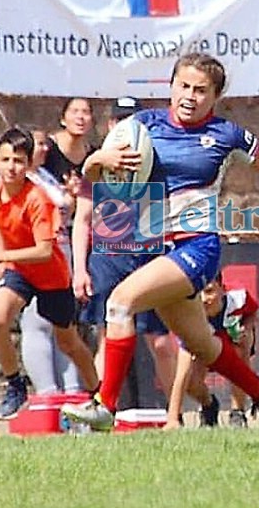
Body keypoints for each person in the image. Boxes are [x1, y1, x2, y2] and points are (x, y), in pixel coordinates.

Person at [61, 53, 259, 439]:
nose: (190, 96)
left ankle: (105, 406)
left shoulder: (228, 135)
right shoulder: (142, 124)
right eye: (183, 86)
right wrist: (99, 157)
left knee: (120, 303)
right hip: (156, 249)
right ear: (171, 86)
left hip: (197, 248)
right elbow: (93, 175)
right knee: (202, 344)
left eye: (201, 90)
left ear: (216, 96)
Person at [0, 127, 99, 418]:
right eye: (5, 160)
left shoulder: (37, 199)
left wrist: (2, 254)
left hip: (51, 275)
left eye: (18, 160)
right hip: (20, 271)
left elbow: (44, 251)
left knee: (68, 342)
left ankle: (99, 396)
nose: (11, 167)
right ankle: (15, 385)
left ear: (29, 164)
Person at [72, 96, 176, 406]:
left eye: (133, 120)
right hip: (109, 257)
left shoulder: (157, 162)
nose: (126, 127)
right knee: (107, 336)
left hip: (149, 256)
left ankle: (176, 415)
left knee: (159, 342)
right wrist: (79, 269)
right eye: (119, 120)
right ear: (110, 125)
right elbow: (82, 220)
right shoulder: (96, 167)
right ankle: (103, 410)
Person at [20, 128, 82, 396]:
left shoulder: (44, 176)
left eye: (47, 144)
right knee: (37, 322)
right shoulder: (14, 178)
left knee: (62, 324)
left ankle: (72, 392)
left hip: (59, 253)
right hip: (32, 256)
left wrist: (70, 195)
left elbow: (62, 215)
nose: (46, 149)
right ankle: (48, 394)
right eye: (39, 144)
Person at [164, 272, 259, 430]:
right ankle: (208, 405)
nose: (203, 299)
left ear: (222, 289)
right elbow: (182, 373)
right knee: (191, 380)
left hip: (230, 341)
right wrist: (173, 418)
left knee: (241, 353)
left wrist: (247, 329)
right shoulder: (189, 317)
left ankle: (238, 412)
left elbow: (252, 312)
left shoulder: (238, 299)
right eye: (197, 293)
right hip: (204, 342)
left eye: (209, 291)